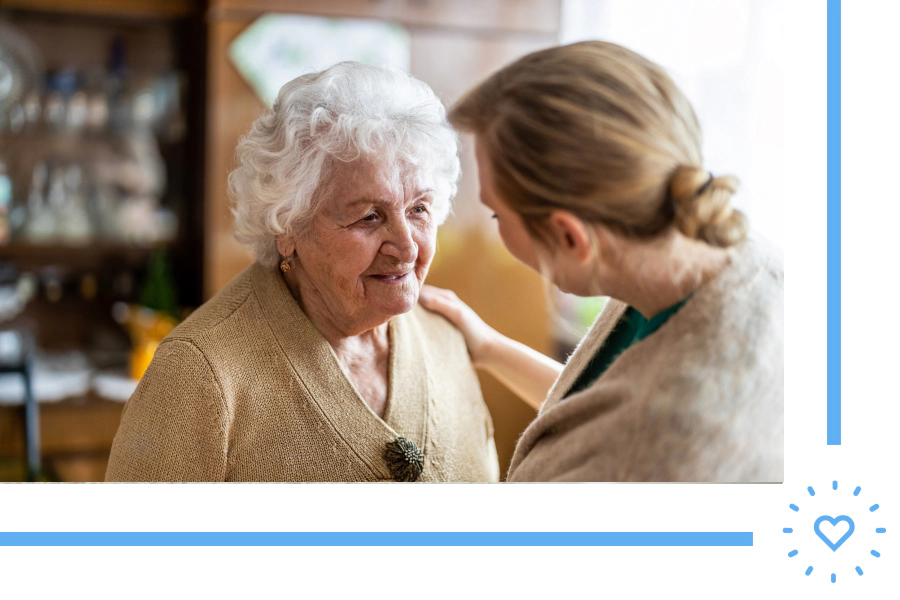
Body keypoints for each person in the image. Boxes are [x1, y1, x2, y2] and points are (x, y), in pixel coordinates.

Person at [106, 62, 499, 482]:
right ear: (287, 226)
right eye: (369, 216)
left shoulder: (446, 338)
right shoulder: (198, 376)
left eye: (419, 209)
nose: (406, 246)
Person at [420, 41, 783, 482]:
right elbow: (599, 410)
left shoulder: (664, 446)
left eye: (497, 213)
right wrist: (490, 348)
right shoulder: (711, 253)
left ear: (570, 236)